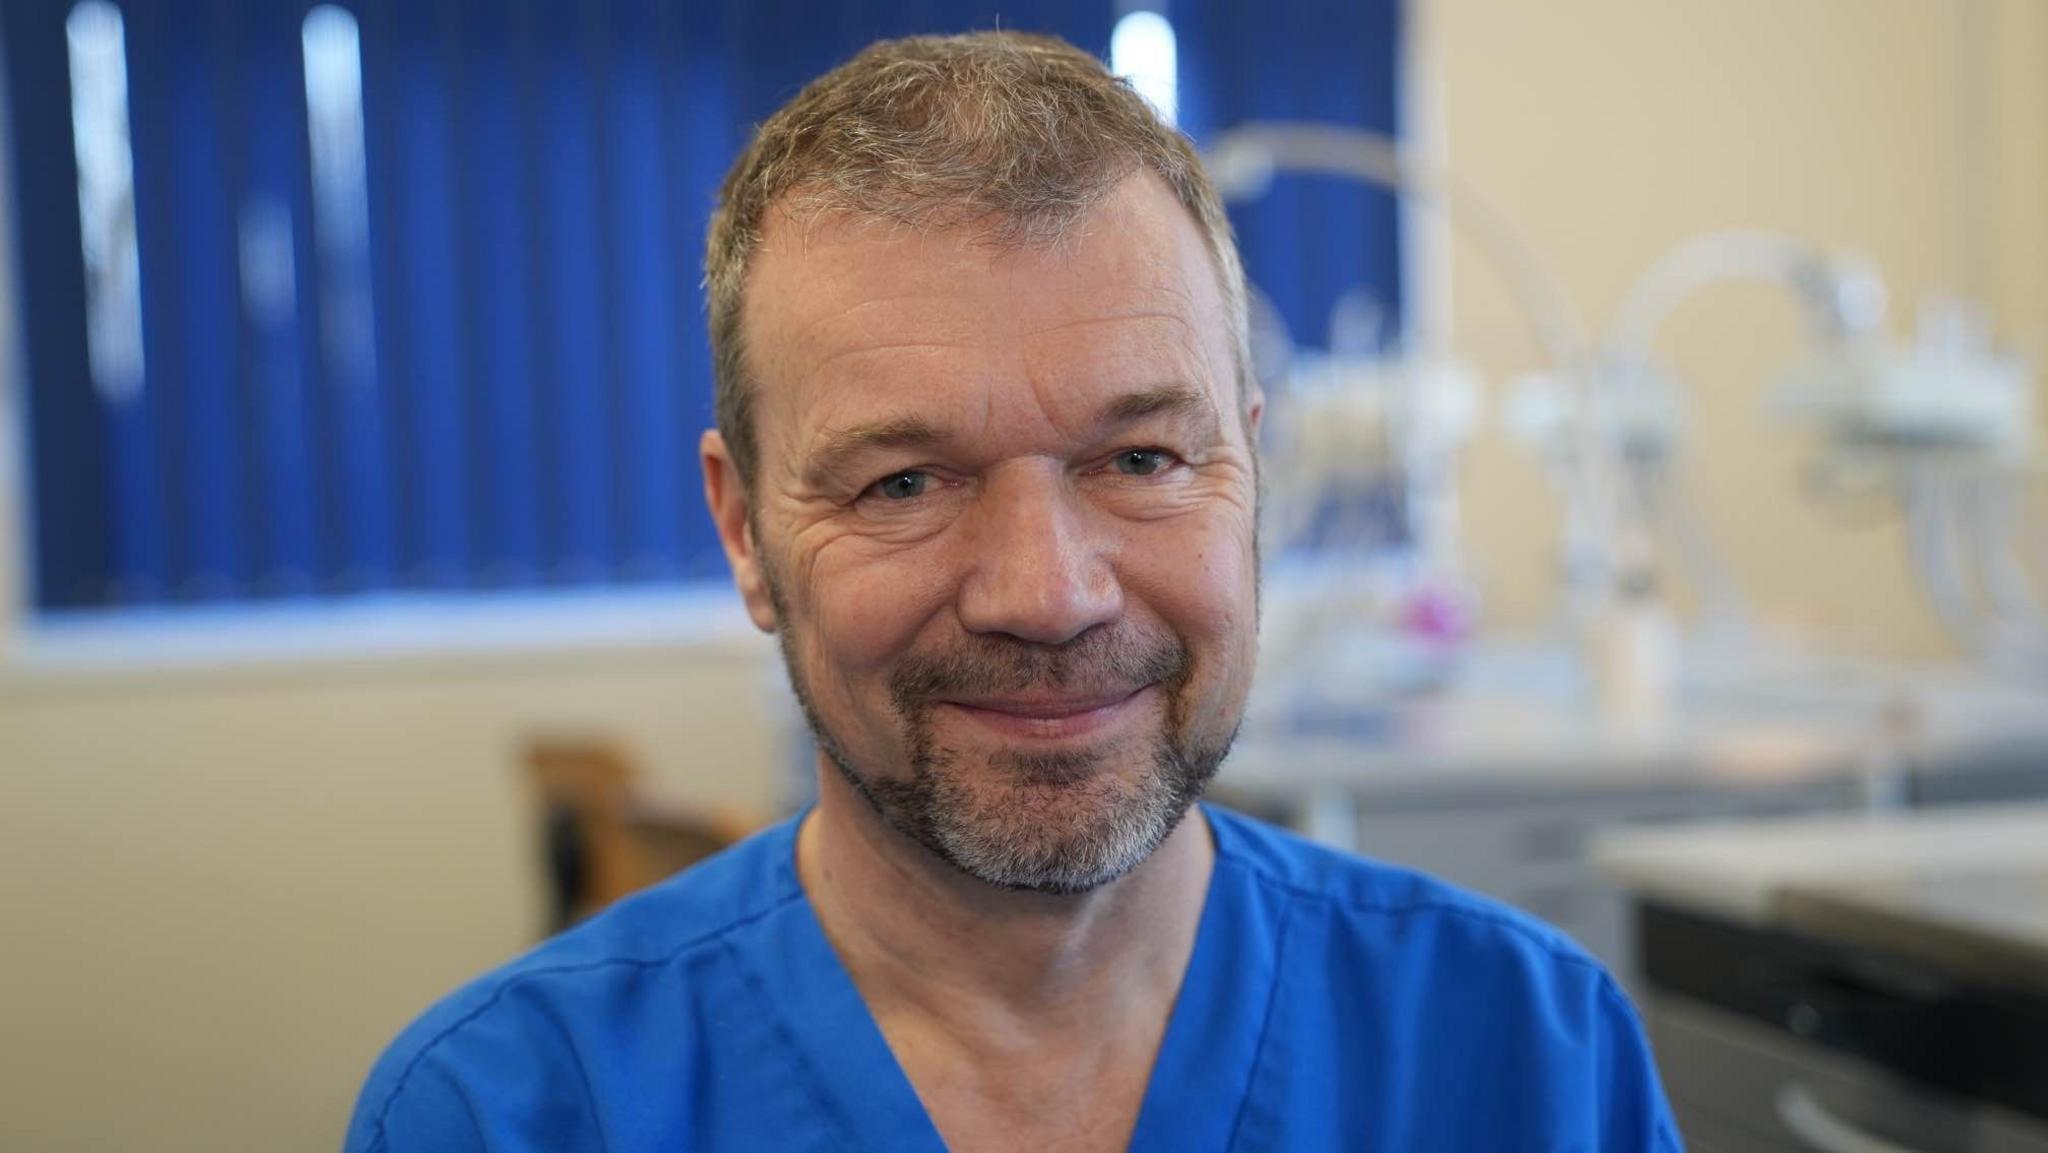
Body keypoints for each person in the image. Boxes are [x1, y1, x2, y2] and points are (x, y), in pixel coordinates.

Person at [347, 31, 1682, 1153]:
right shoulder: (512, 1111)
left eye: (1143, 457)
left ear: (1252, 475)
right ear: (746, 531)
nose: (1048, 594)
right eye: (906, 481)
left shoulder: (1523, 1060)